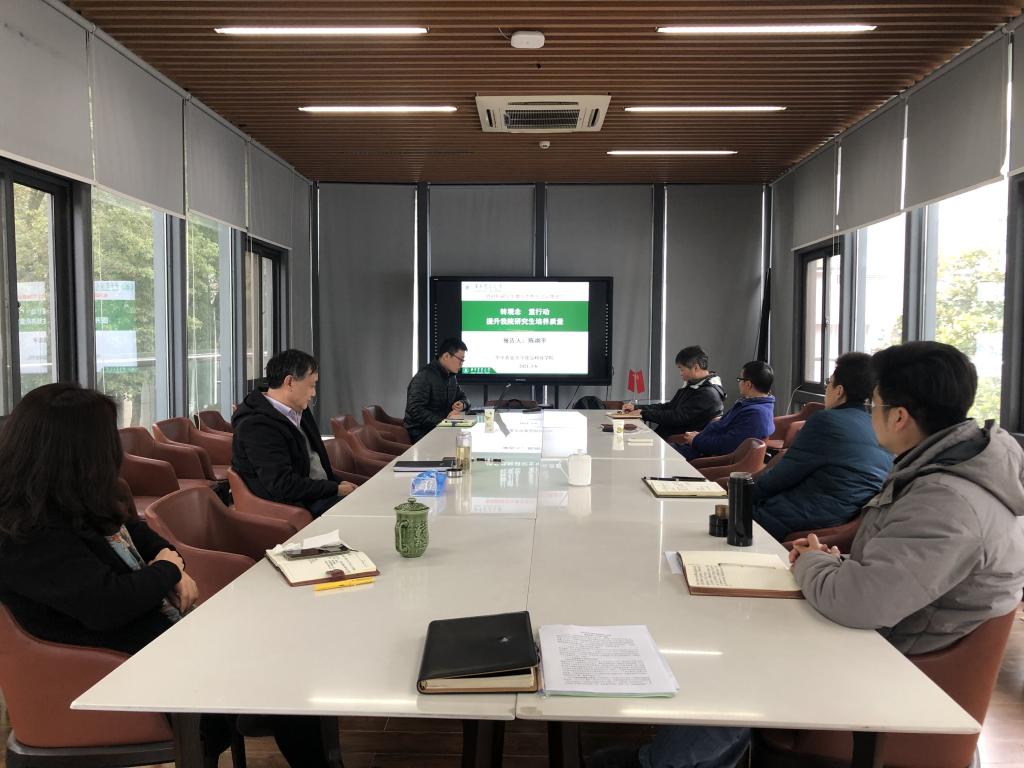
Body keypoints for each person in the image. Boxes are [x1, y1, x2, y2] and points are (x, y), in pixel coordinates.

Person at [591, 341, 1024, 768]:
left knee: (746, 644)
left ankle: (662, 763)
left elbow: (862, 602)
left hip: (895, 668)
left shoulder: (947, 502)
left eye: (874, 405)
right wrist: (831, 562)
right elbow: (898, 575)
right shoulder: (945, 473)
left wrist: (817, 563)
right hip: (892, 636)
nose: (868, 414)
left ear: (899, 416)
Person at [0, 383, 335, 767]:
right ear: (77, 452)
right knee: (278, 667)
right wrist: (169, 570)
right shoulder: (26, 533)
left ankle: (265, 718)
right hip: (109, 670)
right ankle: (259, 720)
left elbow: (148, 538)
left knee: (281, 651)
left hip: (157, 639)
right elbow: (109, 603)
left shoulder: (78, 498)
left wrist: (166, 564)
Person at [752, 352, 892, 541]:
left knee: (726, 519)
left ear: (839, 391)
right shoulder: (876, 425)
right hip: (846, 520)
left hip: (807, 516)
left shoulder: (826, 421)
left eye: (829, 383)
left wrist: (742, 493)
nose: (826, 390)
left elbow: (782, 476)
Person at [233, 349, 355, 517]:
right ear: (289, 382)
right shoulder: (256, 426)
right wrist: (335, 489)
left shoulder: (299, 410)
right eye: (311, 385)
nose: (313, 393)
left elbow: (315, 465)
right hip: (298, 507)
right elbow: (282, 485)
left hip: (318, 493)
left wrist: (337, 483)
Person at [675, 360, 775, 461]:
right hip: (702, 446)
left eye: (740, 379)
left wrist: (696, 440)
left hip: (702, 457)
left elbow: (726, 446)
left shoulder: (755, 414)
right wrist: (700, 436)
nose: (739, 382)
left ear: (748, 384)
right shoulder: (753, 404)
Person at [623, 346, 725, 439]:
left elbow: (677, 417)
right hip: (667, 435)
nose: (680, 373)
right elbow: (670, 406)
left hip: (677, 441)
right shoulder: (693, 385)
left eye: (682, 369)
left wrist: (643, 413)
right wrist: (638, 408)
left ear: (696, 368)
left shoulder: (707, 394)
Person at [404, 337, 471, 443]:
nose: (462, 364)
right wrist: (445, 421)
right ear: (446, 356)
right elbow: (416, 410)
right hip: (422, 434)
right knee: (461, 443)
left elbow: (462, 396)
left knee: (466, 439)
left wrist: (463, 404)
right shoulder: (424, 376)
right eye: (460, 360)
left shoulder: (451, 376)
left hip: (441, 429)